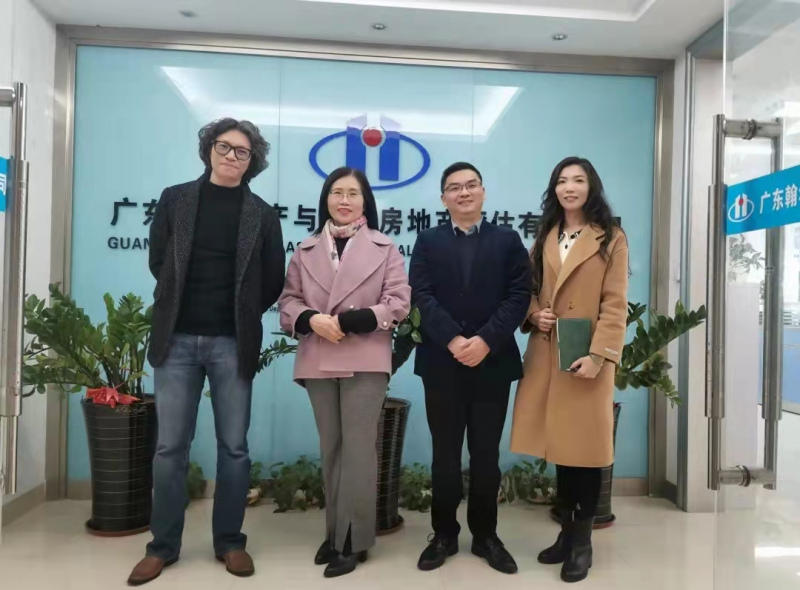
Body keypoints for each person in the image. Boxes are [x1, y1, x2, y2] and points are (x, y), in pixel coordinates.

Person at [127, 118, 286, 586]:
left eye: (242, 151)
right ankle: (162, 546)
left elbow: (273, 279)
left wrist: (243, 312)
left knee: (234, 448)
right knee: (169, 448)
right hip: (176, 340)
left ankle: (230, 542)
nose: (232, 156)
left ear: (252, 161)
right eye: (224, 146)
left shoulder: (263, 215)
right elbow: (160, 261)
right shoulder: (175, 199)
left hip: (231, 342)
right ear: (208, 149)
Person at [278, 167, 411, 578]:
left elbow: (399, 302)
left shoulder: (384, 247)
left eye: (353, 193)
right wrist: (311, 319)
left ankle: (354, 538)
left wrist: (351, 321)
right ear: (326, 199)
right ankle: (336, 532)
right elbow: (288, 302)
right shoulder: (305, 250)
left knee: (358, 449)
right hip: (317, 355)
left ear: (365, 200)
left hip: (365, 356)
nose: (344, 200)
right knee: (332, 447)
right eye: (337, 192)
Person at [511, 157, 628, 584]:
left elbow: (615, 303)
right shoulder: (547, 232)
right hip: (548, 354)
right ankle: (566, 534)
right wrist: (533, 313)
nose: (569, 187)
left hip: (585, 357)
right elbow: (528, 287)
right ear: (554, 189)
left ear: (591, 187)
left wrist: (600, 356)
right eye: (562, 181)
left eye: (578, 180)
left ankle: (582, 543)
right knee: (561, 447)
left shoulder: (611, 237)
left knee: (586, 451)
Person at [409, 162, 531, 575]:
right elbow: (420, 295)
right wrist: (452, 339)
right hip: (441, 362)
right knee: (444, 455)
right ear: (443, 198)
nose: (464, 192)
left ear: (483, 192)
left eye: (471, 185)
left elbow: (519, 295)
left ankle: (486, 536)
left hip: (492, 363)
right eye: (454, 187)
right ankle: (443, 534)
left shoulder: (507, 240)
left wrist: (485, 340)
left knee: (485, 455)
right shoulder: (427, 240)